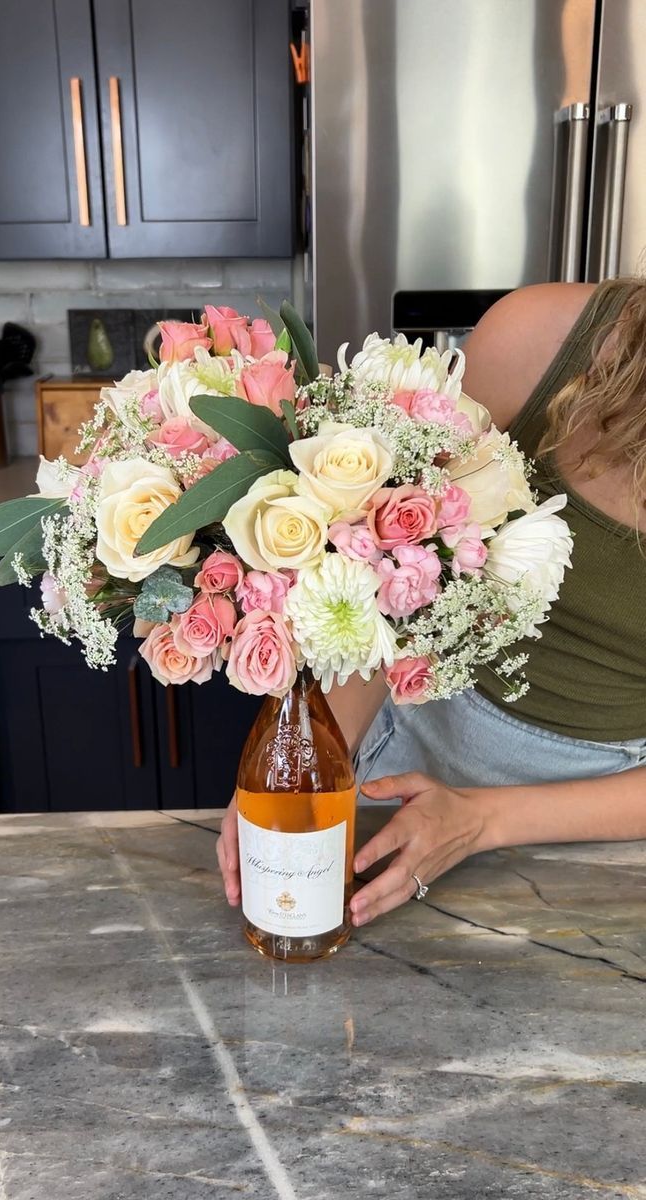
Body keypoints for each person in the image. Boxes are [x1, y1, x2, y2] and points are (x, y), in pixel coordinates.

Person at [217, 278, 646, 927]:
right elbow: (393, 579)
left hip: (605, 815)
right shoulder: (534, 341)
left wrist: (482, 820)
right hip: (408, 755)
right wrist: (312, 755)